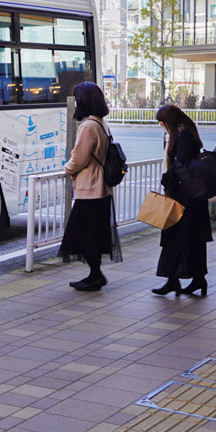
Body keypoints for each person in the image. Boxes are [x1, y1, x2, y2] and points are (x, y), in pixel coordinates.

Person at [62, 81, 122, 291]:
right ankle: (95, 274)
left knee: (83, 234)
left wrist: (67, 168)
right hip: (102, 188)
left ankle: (95, 275)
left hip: (90, 188)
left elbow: (79, 158)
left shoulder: (88, 126)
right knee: (94, 235)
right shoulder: (101, 123)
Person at [153, 104, 212, 296]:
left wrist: (167, 177)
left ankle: (179, 280)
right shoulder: (182, 132)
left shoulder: (183, 135)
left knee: (179, 237)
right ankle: (191, 280)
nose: (162, 126)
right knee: (188, 238)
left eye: (163, 123)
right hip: (188, 195)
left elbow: (180, 163)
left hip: (186, 196)